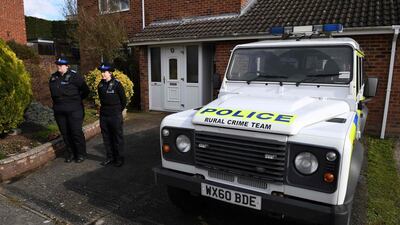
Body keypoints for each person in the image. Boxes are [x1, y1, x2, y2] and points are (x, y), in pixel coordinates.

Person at [49, 58, 89, 163]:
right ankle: (71, 153)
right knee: (65, 133)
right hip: (60, 110)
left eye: (61, 65)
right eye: (58, 65)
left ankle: (80, 154)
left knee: (76, 132)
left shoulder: (75, 76)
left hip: (74, 109)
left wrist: (76, 100)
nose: (59, 66)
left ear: (67, 66)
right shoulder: (53, 77)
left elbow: (85, 90)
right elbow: (53, 95)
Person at [97, 63, 126, 167]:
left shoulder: (117, 84)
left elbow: (123, 100)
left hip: (115, 115)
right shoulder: (100, 84)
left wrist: (117, 111)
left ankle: (119, 158)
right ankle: (110, 157)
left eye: (104, 72)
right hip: (104, 114)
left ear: (110, 72)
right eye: (102, 72)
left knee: (117, 137)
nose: (102, 74)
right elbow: (101, 99)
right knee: (106, 137)